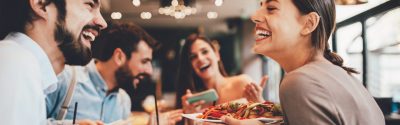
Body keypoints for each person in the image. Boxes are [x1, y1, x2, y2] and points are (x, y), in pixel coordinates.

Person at [222, 0, 385, 125]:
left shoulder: (299, 81)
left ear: (308, 24)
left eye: (271, 8)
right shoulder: (342, 75)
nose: (254, 16)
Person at [46, 22, 183, 125]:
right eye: (144, 61)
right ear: (119, 57)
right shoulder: (65, 78)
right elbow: (27, 119)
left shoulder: (123, 101)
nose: (149, 71)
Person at [0, 0, 107, 124]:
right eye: (89, 5)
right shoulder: (16, 63)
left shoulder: (21, 63)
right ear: (41, 4)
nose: (102, 23)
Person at [176, 34, 262, 114]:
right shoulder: (195, 102)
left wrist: (260, 103)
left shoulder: (243, 83)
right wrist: (189, 115)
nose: (200, 59)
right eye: (193, 57)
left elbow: (267, 119)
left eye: (205, 52)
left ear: (217, 55)